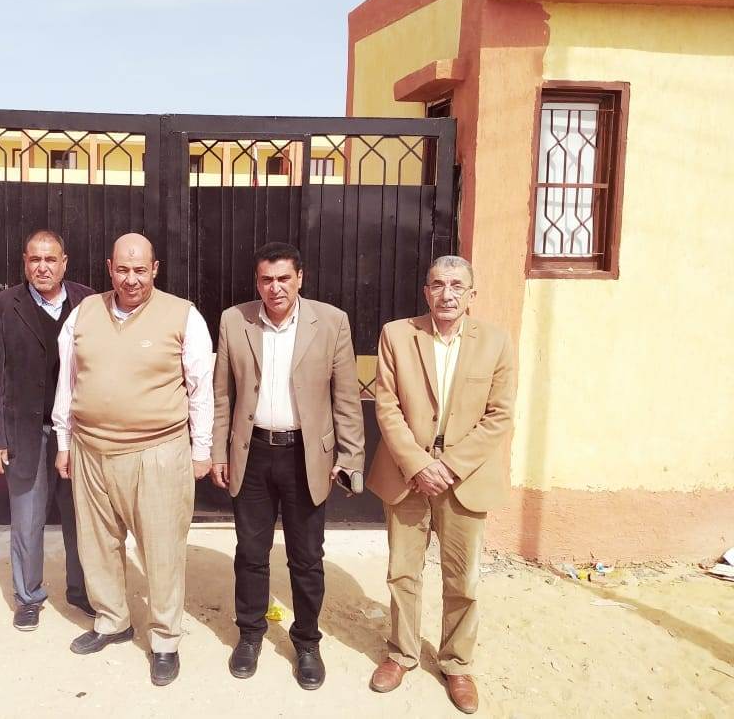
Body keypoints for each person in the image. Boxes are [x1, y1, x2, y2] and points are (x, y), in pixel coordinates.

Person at [52, 232, 213, 687]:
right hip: (90, 449)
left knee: (162, 549)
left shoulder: (183, 315)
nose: (131, 279)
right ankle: (112, 620)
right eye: (122, 269)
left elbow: (200, 388)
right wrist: (64, 441)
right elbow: (68, 381)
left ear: (155, 270)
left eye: (140, 270)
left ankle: (164, 639)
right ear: (110, 268)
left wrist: (201, 450)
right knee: (97, 544)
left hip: (157, 452)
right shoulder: (84, 313)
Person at [211, 241, 365, 690]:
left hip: (306, 456)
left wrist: (350, 457)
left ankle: (307, 642)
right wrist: (218, 452)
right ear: (257, 282)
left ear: (300, 278)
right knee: (250, 553)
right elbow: (222, 395)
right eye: (266, 279)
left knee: (307, 557)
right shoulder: (234, 320)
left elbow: (346, 398)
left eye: (283, 278)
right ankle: (250, 634)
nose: (274, 288)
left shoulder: (331, 322)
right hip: (253, 452)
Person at [366, 255, 515, 714]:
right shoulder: (397, 334)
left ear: (472, 294)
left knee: (463, 577)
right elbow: (386, 405)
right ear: (426, 291)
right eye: (437, 284)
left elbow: (499, 415)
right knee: (402, 571)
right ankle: (401, 653)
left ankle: (456, 662)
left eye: (456, 286)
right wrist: (418, 464)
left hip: (464, 477)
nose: (447, 294)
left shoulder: (496, 341)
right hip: (407, 473)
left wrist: (448, 467)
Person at [0, 229, 95, 630]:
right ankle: (28, 596)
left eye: (50, 260)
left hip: (77, 433)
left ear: (64, 263)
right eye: (35, 260)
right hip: (26, 434)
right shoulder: (0, 307)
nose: (42, 267)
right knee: (27, 518)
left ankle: (82, 591)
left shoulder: (88, 302)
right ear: (25, 263)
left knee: (81, 516)